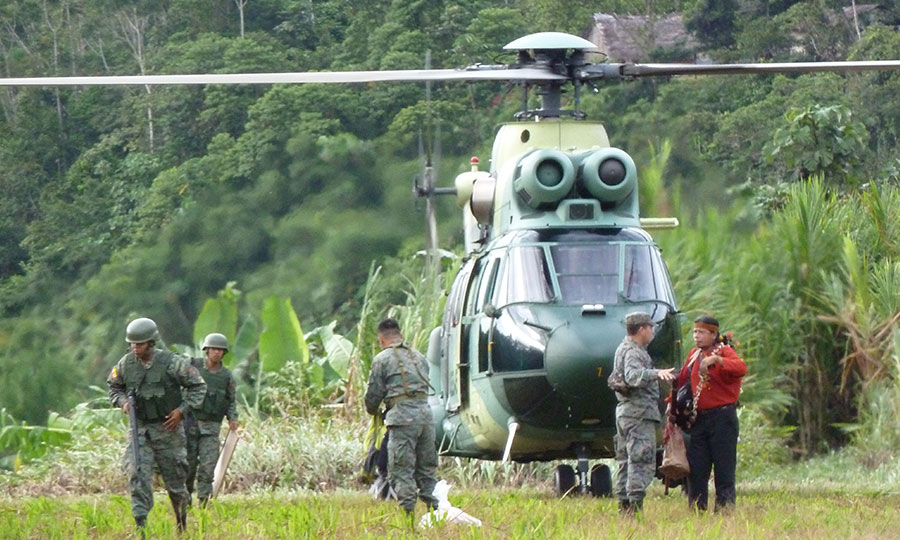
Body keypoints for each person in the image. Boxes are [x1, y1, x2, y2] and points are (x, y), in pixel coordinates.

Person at [107, 317, 206, 534]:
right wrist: (124, 403)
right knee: (137, 473)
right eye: (132, 344)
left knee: (176, 480)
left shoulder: (172, 363)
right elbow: (114, 388)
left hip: (167, 429)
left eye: (139, 344)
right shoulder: (125, 364)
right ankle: (141, 525)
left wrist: (181, 411)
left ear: (151, 342)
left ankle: (182, 523)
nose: (135, 347)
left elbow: (198, 386)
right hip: (140, 428)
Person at [364, 318, 439, 521]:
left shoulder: (382, 359)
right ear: (401, 335)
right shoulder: (419, 357)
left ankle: (408, 521)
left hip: (402, 420)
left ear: (381, 340)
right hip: (426, 418)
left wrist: (373, 412)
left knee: (401, 470)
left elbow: (373, 397)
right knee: (427, 470)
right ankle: (437, 513)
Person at [674, 315, 746, 512]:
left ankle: (725, 509)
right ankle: (697, 509)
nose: (696, 336)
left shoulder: (725, 352)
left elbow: (741, 368)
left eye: (702, 332)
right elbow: (682, 384)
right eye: (695, 332)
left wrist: (718, 360)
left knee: (724, 468)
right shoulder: (693, 356)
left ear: (714, 334)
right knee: (697, 468)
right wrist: (672, 408)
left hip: (723, 418)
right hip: (699, 419)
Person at [612, 311, 676, 515]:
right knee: (640, 459)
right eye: (650, 327)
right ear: (641, 329)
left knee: (625, 460)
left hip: (626, 413)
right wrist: (656, 373)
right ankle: (634, 508)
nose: (652, 331)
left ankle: (624, 506)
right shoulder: (633, 352)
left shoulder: (623, 348)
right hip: (638, 414)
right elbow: (632, 377)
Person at [185, 333, 239, 508]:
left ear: (224, 353)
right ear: (206, 350)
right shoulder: (193, 367)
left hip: (211, 427)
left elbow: (231, 400)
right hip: (190, 424)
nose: (216, 353)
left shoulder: (226, 376)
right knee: (188, 465)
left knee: (208, 467)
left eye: (220, 350)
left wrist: (233, 418)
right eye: (213, 349)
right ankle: (184, 501)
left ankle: (203, 501)